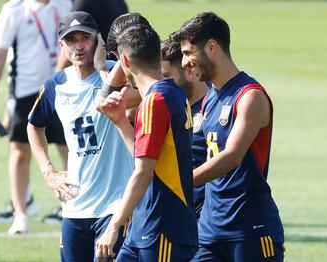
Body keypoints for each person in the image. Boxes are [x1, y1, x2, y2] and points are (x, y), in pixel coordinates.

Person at [171, 12, 285, 261]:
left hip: (250, 230)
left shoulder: (249, 96)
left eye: (189, 52)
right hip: (209, 231)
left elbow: (231, 156)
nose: (184, 62)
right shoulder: (210, 97)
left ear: (212, 47)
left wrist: (179, 183)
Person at [27, 11, 133, 261]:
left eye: (84, 38)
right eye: (71, 40)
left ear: (98, 40)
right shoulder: (55, 85)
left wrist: (101, 67)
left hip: (115, 207)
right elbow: (33, 125)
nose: (78, 46)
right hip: (75, 208)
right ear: (61, 45)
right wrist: (49, 172)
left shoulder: (117, 74)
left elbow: (141, 93)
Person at [95, 24, 198, 261]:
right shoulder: (171, 93)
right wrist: (121, 121)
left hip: (163, 229)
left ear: (125, 62)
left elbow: (143, 173)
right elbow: (149, 159)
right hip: (144, 227)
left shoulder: (155, 101)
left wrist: (113, 227)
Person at [0, 0, 71, 234]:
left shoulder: (65, 4)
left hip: (60, 87)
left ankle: (70, 208)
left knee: (68, 148)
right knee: (19, 151)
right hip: (24, 90)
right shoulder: (14, 10)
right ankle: (21, 214)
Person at [160, 37, 208, 220]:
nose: (160, 85)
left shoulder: (213, 108)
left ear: (188, 71)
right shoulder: (166, 107)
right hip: (175, 215)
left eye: (166, 77)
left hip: (206, 218)